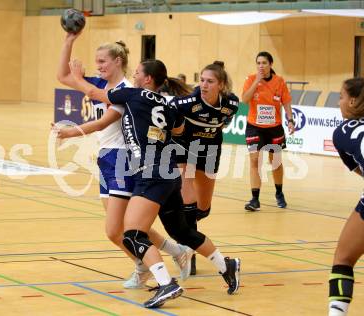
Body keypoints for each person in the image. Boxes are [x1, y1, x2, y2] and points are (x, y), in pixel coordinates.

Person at [67, 58, 241, 308]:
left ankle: (166, 284)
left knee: (133, 234)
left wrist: (77, 77)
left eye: (137, 72)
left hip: (151, 171)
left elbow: (95, 93)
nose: (134, 75)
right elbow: (180, 130)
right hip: (169, 171)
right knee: (182, 232)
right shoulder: (168, 105)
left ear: (147, 79)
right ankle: (227, 265)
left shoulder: (131, 94)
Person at [55, 32, 191, 289]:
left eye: (103, 61)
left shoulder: (127, 91)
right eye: (96, 62)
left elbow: (101, 123)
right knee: (125, 227)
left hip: (123, 160)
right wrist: (69, 41)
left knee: (115, 230)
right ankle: (173, 252)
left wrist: (70, 131)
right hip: (106, 159)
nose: (98, 66)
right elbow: (62, 76)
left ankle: (148, 267)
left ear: (118, 61)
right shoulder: (102, 84)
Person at [172, 61, 239, 274]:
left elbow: (224, 122)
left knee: (203, 208)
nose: (204, 85)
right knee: (187, 197)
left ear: (221, 85)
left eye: (210, 81)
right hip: (186, 148)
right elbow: (167, 111)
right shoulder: (187, 102)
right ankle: (188, 249)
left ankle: (187, 225)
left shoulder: (232, 104)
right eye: (202, 80)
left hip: (210, 152)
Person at [328, 77, 364, 316]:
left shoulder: (343, 132)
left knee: (343, 258)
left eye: (341, 97)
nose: (339, 103)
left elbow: (358, 169)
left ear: (352, 100)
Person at [242, 51, 295, 212]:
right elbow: (244, 100)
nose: (261, 66)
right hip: (254, 126)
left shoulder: (279, 82)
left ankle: (279, 192)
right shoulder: (251, 79)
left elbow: (286, 103)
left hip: (274, 128)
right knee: (254, 160)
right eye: (258, 63)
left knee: (275, 162)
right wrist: (256, 82)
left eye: (264, 63)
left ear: (270, 64)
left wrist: (290, 120)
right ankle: (255, 199)